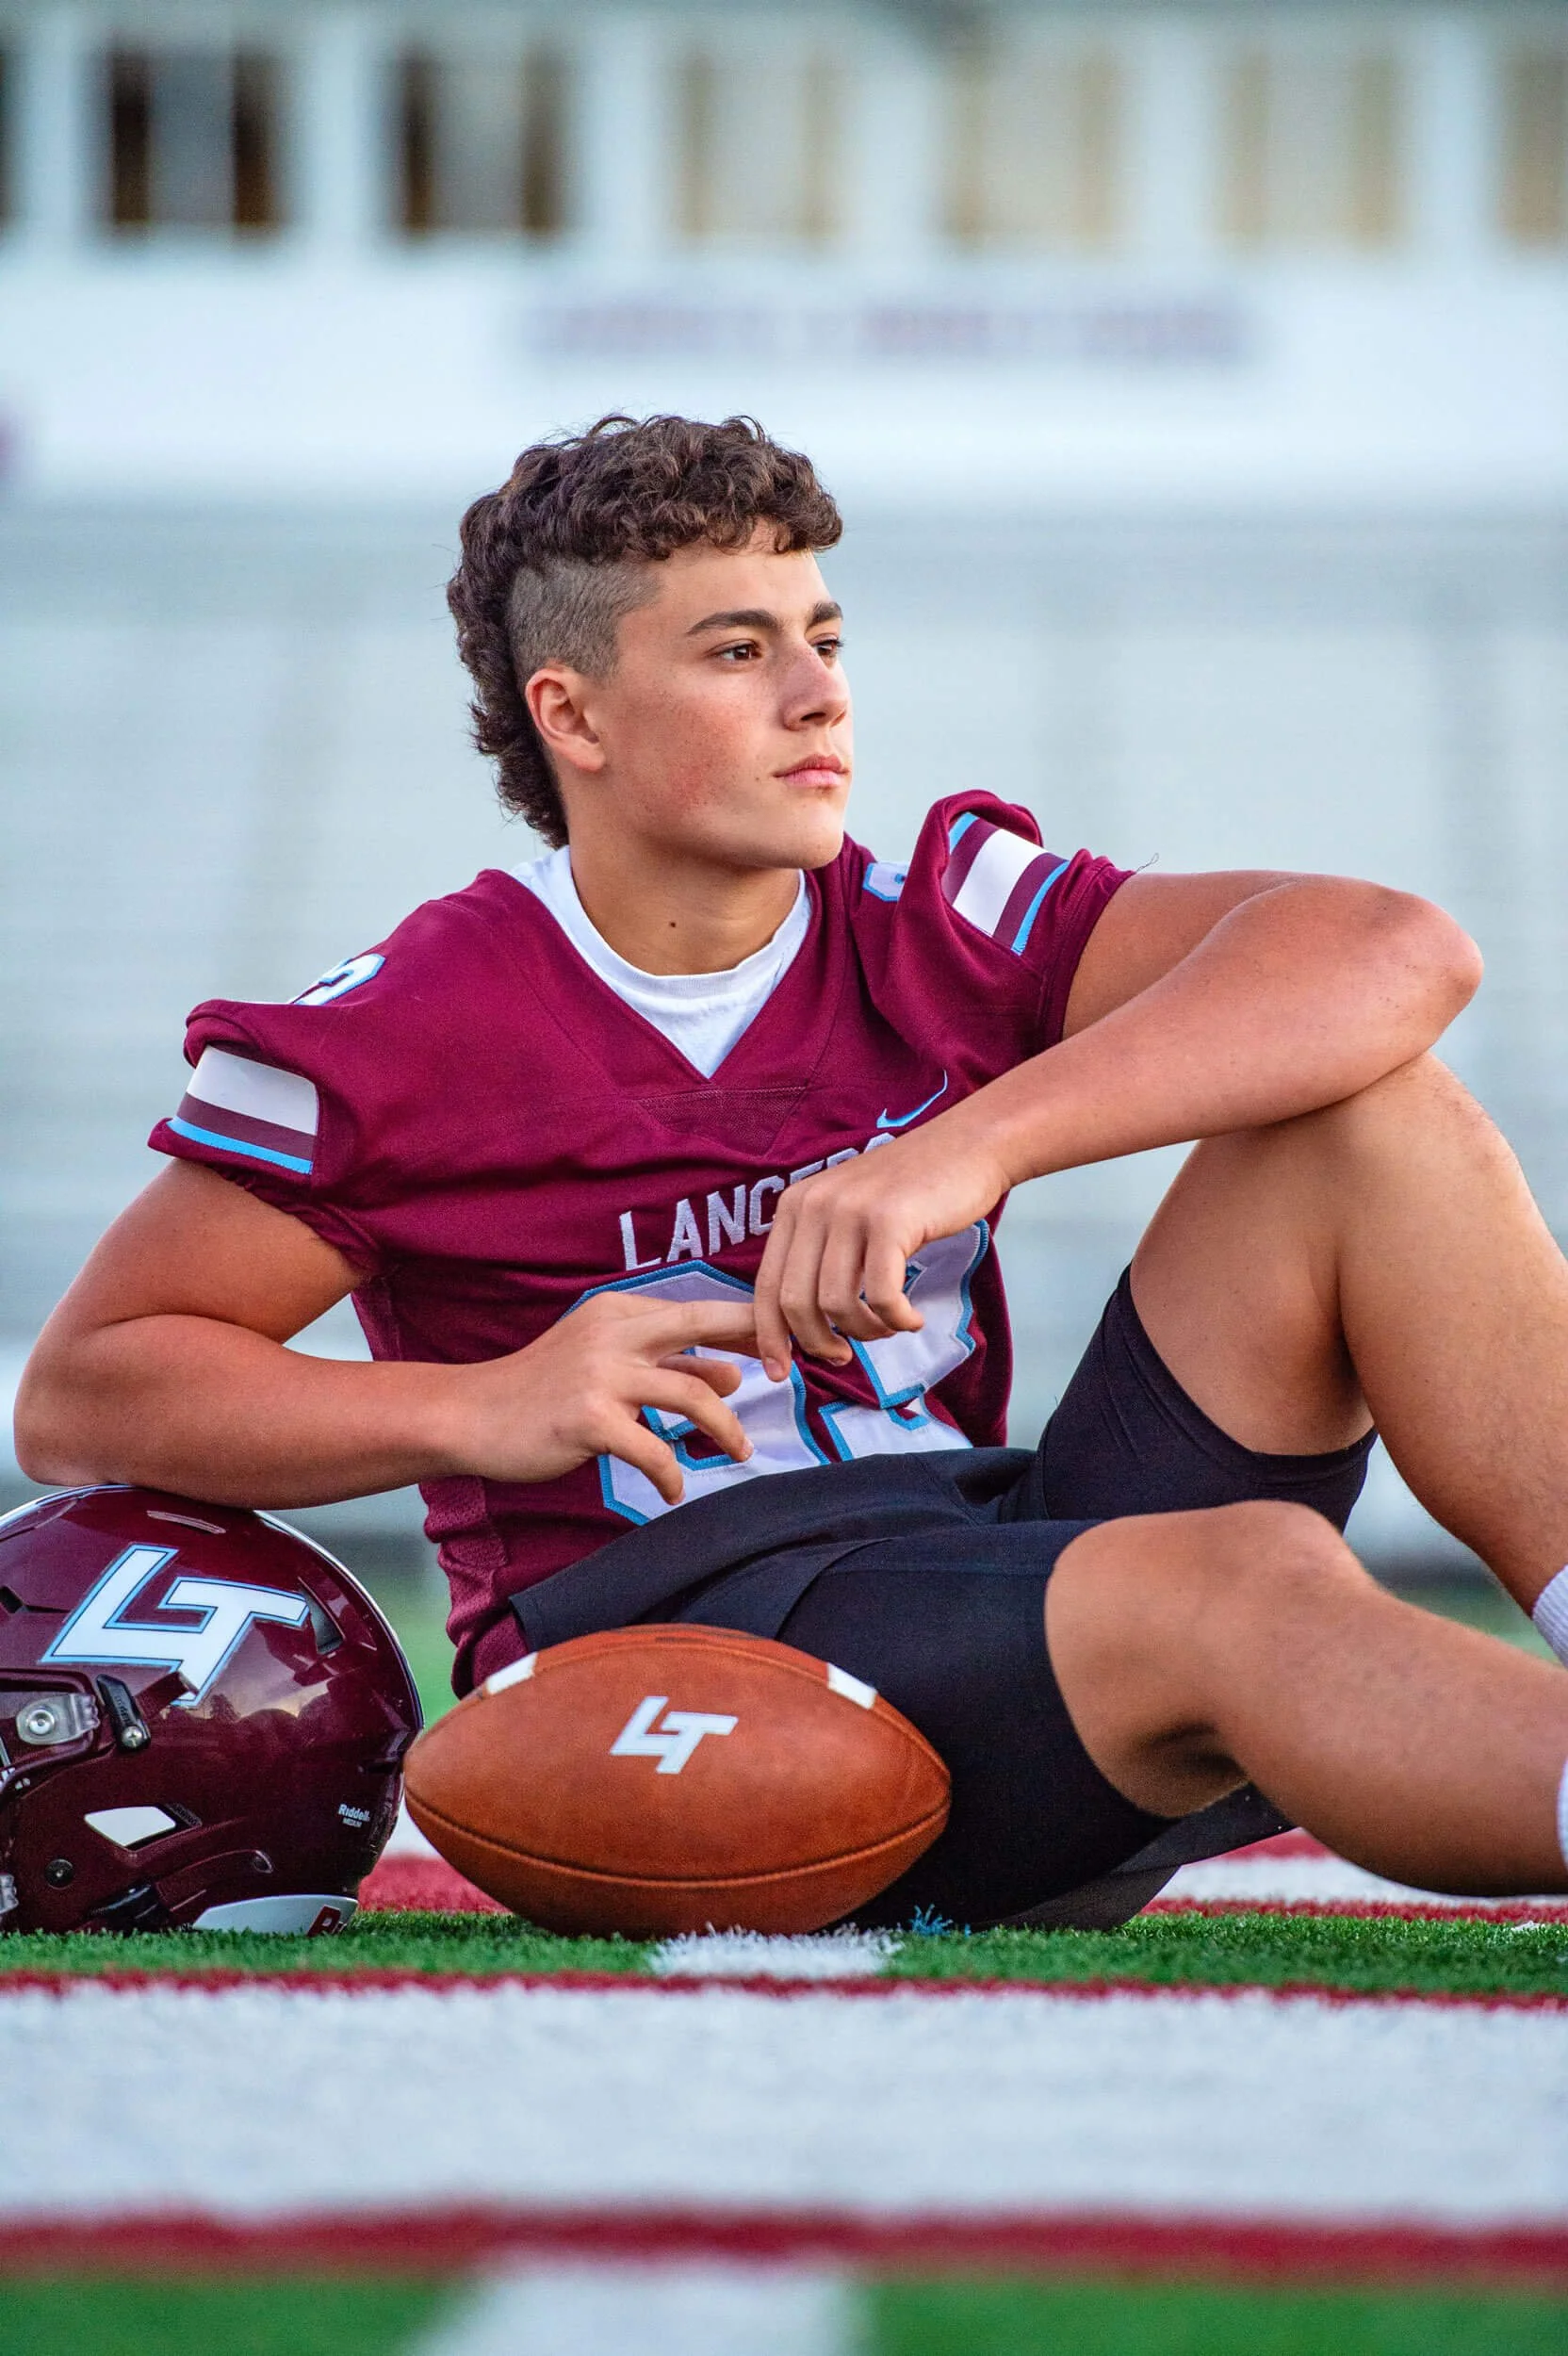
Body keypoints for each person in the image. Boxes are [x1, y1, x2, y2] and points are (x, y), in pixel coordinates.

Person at [17, 413, 1568, 1929]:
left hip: (985, 1563)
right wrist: (479, 1404)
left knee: (1370, 1116)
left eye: (826, 637)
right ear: (576, 717)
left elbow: (1393, 948)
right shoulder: (421, 1024)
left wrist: (959, 1149)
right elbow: (87, 1393)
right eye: (739, 650)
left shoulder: (931, 917)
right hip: (687, 1662)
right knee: (1242, 1576)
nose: (821, 697)